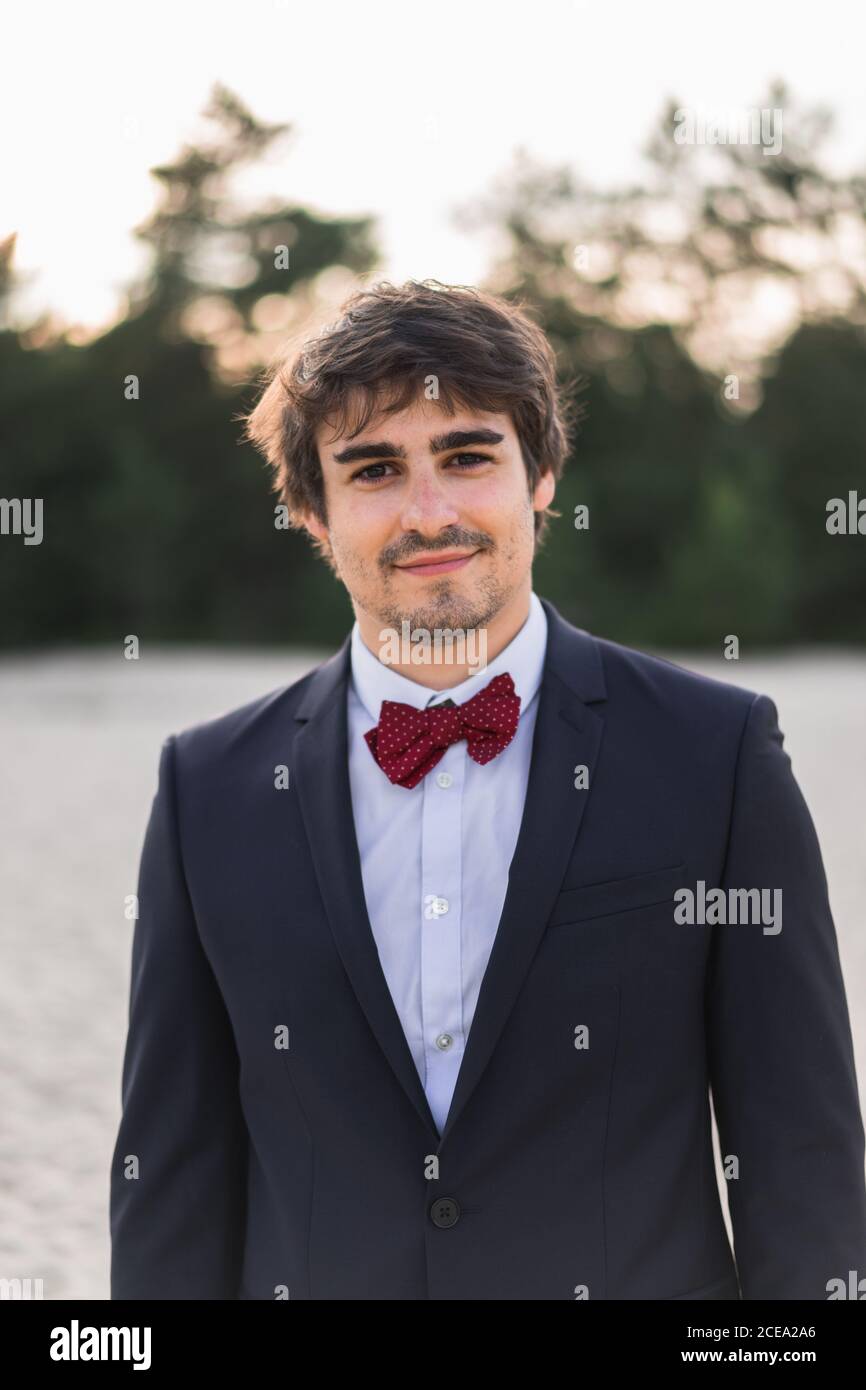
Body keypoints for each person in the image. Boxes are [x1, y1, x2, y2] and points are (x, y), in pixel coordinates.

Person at [110, 279, 866, 1300]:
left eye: (466, 455)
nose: (430, 513)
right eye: (373, 469)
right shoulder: (206, 788)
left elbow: (799, 1154)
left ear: (541, 471)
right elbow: (172, 1178)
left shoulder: (717, 754)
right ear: (308, 509)